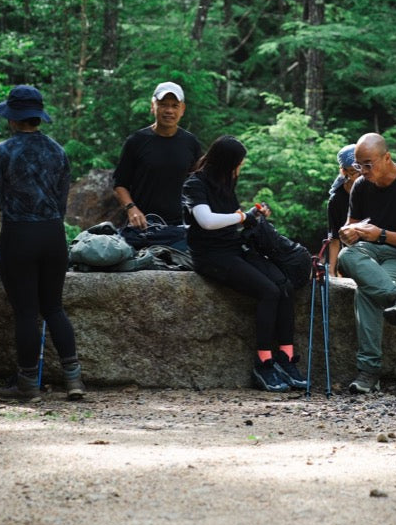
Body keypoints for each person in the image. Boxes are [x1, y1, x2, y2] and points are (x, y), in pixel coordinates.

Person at [0, 84, 83, 403]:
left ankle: (28, 385)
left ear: (13, 119)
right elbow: (61, 206)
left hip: (19, 236)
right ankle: (74, 380)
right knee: (54, 307)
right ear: (36, 117)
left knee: (26, 312)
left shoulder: (1, 153)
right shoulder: (58, 152)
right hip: (53, 235)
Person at [182, 135, 307, 393]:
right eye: (238, 163)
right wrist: (242, 216)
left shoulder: (225, 182)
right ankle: (263, 363)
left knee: (283, 284)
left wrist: (251, 216)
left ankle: (286, 357)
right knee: (268, 291)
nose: (240, 168)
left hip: (233, 247)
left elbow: (229, 219)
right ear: (227, 162)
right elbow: (206, 220)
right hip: (211, 256)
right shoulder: (194, 184)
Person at [337, 132, 396, 396]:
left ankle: (369, 371)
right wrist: (349, 232)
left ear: (387, 157)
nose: (363, 171)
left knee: (366, 293)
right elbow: (350, 225)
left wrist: (380, 234)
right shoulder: (360, 185)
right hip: (371, 252)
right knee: (346, 256)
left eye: (368, 164)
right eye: (358, 165)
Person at [112, 81, 201, 244]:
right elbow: (120, 184)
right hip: (143, 226)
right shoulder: (136, 141)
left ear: (182, 110)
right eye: (163, 104)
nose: (169, 110)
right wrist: (132, 209)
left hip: (179, 227)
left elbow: (199, 182)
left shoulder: (191, 143)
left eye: (175, 105)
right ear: (153, 106)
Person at [326, 144, 359, 276]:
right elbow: (334, 238)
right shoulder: (337, 200)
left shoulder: (374, 188)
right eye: (353, 171)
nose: (359, 175)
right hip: (352, 253)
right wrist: (330, 271)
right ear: (344, 171)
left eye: (361, 168)